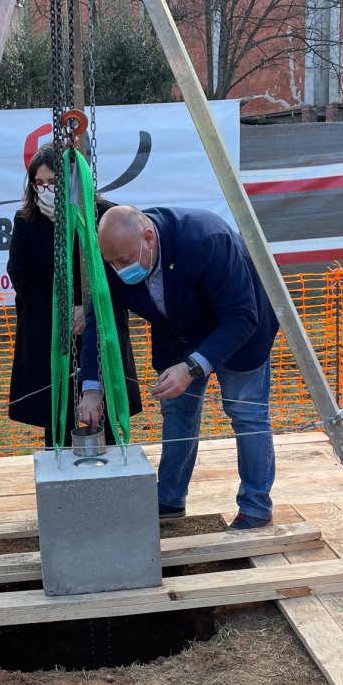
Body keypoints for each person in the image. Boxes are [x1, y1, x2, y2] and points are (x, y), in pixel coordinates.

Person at [77, 205, 279, 530]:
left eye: (125, 261)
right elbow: (101, 324)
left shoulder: (206, 238)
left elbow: (242, 315)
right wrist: (91, 389)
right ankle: (168, 499)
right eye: (111, 263)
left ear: (148, 237)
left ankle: (255, 507)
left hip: (240, 329)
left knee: (247, 414)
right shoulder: (114, 257)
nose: (118, 270)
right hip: (179, 331)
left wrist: (192, 367)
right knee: (177, 412)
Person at [7, 143, 142, 448]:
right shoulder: (26, 221)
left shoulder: (106, 215)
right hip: (51, 328)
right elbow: (21, 275)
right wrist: (63, 311)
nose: (45, 190)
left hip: (99, 324)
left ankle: (109, 470)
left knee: (103, 410)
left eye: (53, 183)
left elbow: (115, 270)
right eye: (38, 184)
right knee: (58, 413)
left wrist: (90, 309)